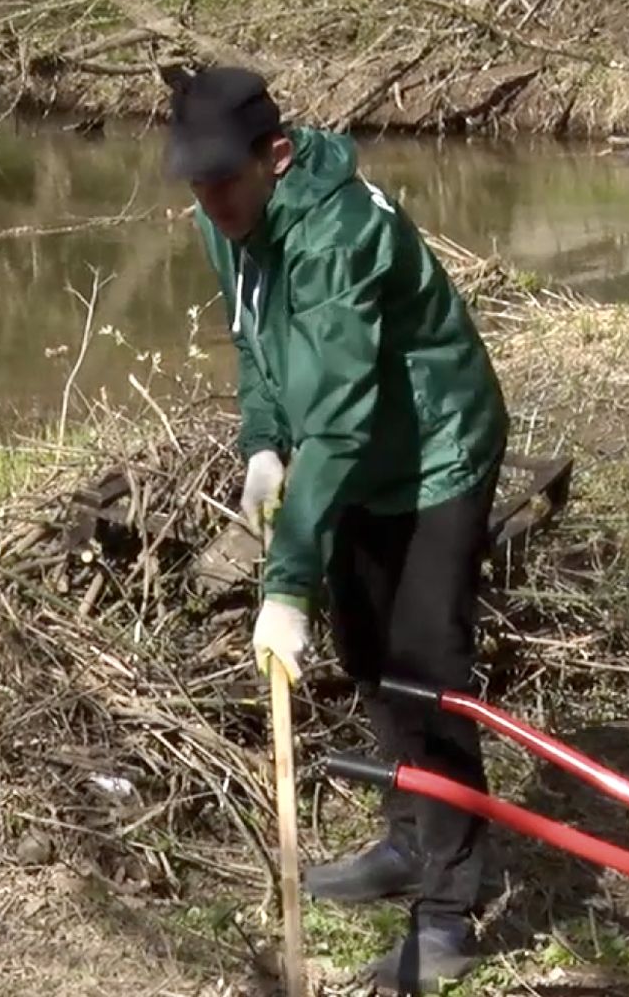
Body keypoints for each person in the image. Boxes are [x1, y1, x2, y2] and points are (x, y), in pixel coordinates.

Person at [164, 64, 509, 993]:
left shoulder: (339, 235)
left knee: (425, 665)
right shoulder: (227, 213)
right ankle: (406, 842)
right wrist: (262, 442)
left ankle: (448, 909)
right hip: (346, 448)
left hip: (434, 446)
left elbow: (345, 419)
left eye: (225, 180)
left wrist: (284, 585)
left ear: (274, 155)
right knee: (366, 646)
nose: (210, 199)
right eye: (196, 181)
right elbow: (256, 338)